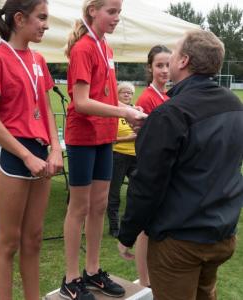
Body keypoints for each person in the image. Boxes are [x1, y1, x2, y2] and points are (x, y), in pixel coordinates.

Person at [118, 29, 243, 300]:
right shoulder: (235, 106)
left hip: (181, 240)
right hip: (221, 235)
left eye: (173, 53)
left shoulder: (172, 113)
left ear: (184, 60)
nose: (170, 59)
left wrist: (126, 233)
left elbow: (148, 182)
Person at [59, 1, 146, 299]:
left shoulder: (106, 48)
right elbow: (81, 102)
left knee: (98, 206)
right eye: (112, 12)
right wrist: (123, 112)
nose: (117, 18)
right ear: (93, 11)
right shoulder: (84, 48)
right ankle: (71, 278)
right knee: (79, 208)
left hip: (104, 137)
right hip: (83, 137)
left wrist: (127, 110)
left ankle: (92, 271)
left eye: (119, 12)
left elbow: (104, 97)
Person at [0, 1, 63, 299]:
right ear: (19, 18)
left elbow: (47, 109)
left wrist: (55, 149)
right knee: (9, 241)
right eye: (41, 18)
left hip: (41, 151)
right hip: (12, 153)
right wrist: (25, 155)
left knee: (34, 239)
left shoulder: (39, 60)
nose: (46, 24)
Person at [134, 45, 171, 288]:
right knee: (145, 228)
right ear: (150, 68)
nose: (165, 70)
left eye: (168, 65)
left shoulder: (169, 97)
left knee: (160, 227)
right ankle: (144, 281)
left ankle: (153, 277)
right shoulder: (146, 98)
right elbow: (141, 138)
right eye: (159, 65)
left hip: (167, 170)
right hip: (151, 169)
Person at [107, 82, 137, 239]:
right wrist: (128, 138)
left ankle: (133, 223)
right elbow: (109, 138)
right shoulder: (113, 113)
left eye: (130, 93)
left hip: (135, 156)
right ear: (117, 95)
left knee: (138, 189)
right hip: (118, 155)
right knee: (114, 192)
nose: (127, 95)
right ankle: (114, 226)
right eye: (124, 92)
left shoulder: (135, 111)